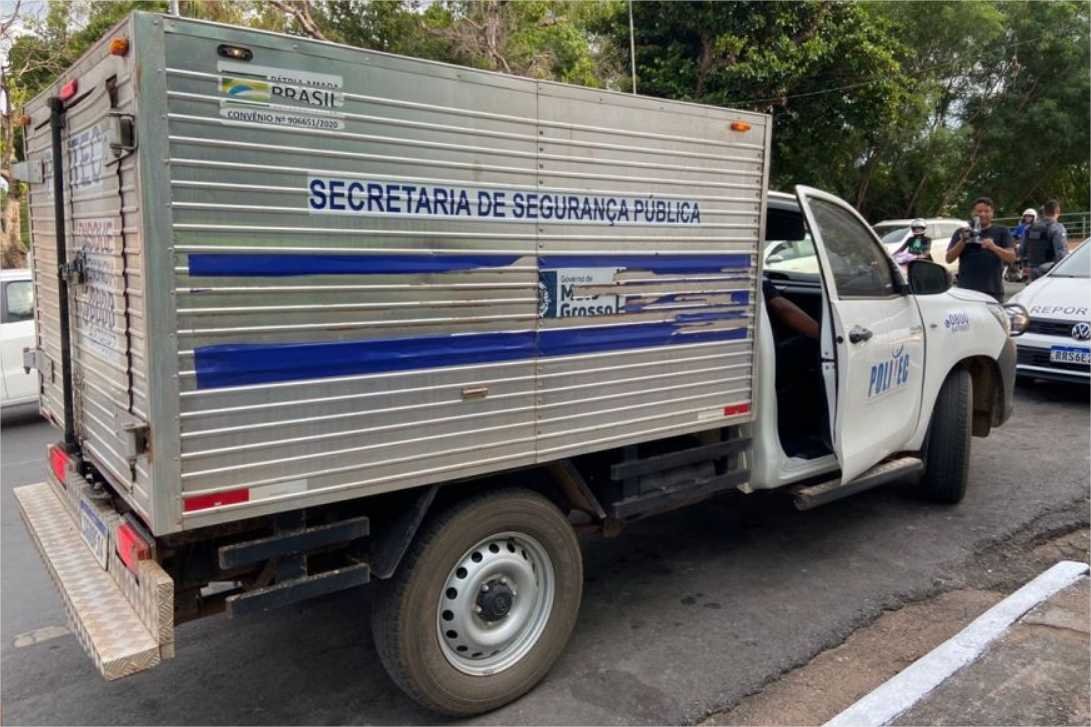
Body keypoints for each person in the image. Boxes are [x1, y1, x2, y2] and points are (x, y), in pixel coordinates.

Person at [945, 196, 1016, 301]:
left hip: (992, 291)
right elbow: (949, 259)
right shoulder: (962, 232)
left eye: (986, 211)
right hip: (966, 292)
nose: (982, 214)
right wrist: (963, 241)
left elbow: (1011, 258)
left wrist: (993, 247)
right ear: (972, 213)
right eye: (979, 211)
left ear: (992, 213)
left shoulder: (1002, 231)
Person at [1021, 199, 1068, 280]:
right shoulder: (1056, 228)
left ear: (1045, 212)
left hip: (1032, 271)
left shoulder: (1029, 228)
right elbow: (1061, 254)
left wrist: (1025, 265)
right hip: (1049, 272)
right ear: (1057, 212)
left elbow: (1022, 250)